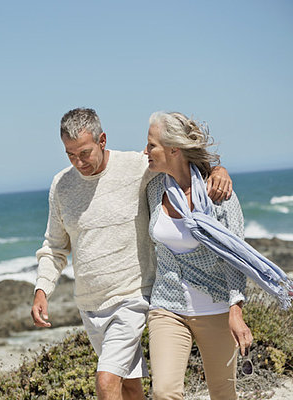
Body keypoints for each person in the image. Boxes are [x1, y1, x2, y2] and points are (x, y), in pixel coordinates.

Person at [31, 108, 232, 400]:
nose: (78, 162)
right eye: (70, 154)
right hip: (89, 304)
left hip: (131, 297)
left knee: (106, 381)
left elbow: (180, 163)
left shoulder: (137, 167)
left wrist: (216, 170)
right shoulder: (61, 185)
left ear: (102, 140)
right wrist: (42, 289)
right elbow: (55, 246)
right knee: (129, 386)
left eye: (84, 153)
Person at [143, 111, 291, 399]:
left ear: (174, 149)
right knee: (163, 392)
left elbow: (234, 257)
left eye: (151, 145)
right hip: (166, 306)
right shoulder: (152, 189)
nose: (145, 151)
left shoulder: (219, 195)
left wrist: (236, 310)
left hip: (215, 308)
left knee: (223, 393)